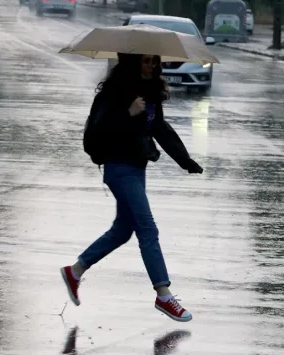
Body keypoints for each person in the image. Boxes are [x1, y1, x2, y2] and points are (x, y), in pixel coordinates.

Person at [61, 53, 204, 323]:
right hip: (118, 167)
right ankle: (164, 295)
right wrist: (129, 113)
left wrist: (185, 160)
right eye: (146, 61)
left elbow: (160, 129)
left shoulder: (149, 92)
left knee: (123, 230)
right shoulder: (113, 93)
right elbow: (99, 130)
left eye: (155, 61)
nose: (152, 66)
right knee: (147, 227)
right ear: (133, 62)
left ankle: (75, 271)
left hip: (137, 168)